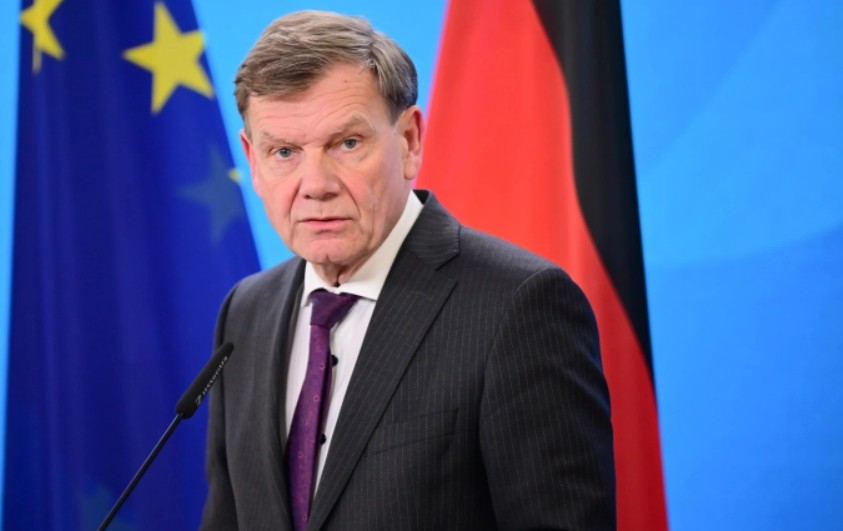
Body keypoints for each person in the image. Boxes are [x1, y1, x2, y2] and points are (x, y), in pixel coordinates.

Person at [201, 10, 615, 531]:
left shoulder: (519, 306)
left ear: (410, 141)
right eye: (284, 152)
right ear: (252, 160)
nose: (316, 185)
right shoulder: (245, 312)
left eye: (347, 143)